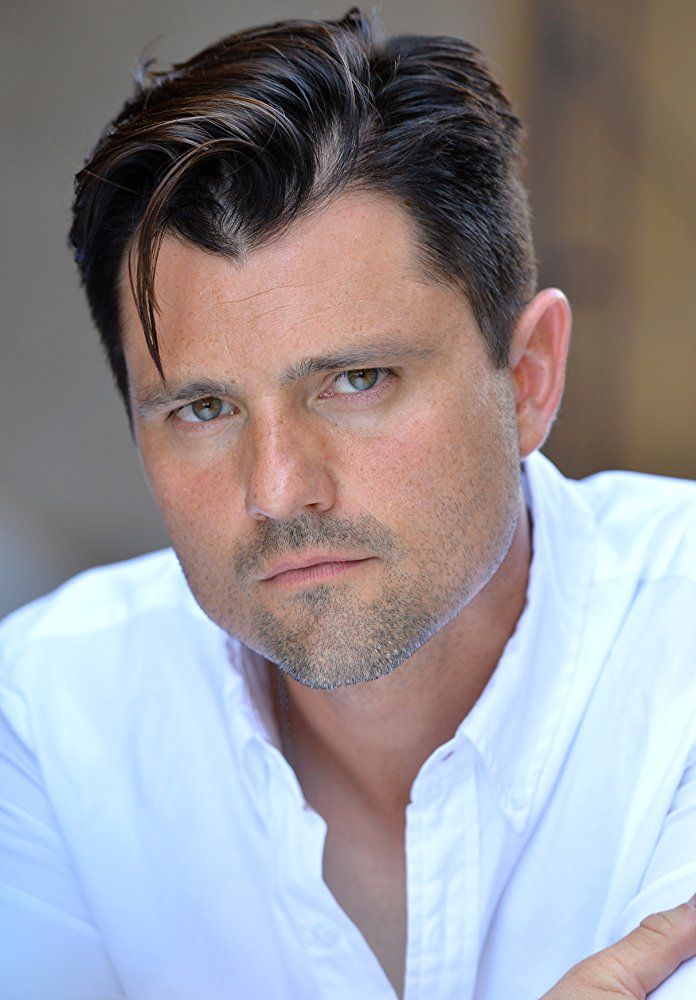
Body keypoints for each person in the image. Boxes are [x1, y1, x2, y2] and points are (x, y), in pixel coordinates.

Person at [1, 8, 695, 999]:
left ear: (530, 377)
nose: (278, 489)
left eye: (357, 381)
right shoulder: (45, 720)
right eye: (204, 408)